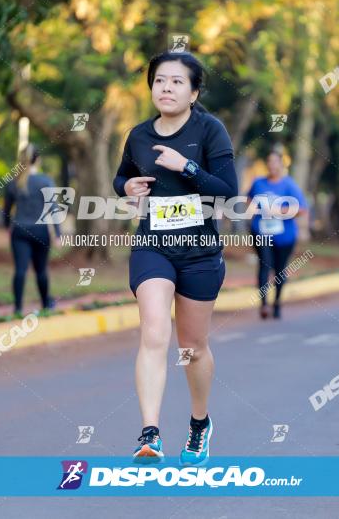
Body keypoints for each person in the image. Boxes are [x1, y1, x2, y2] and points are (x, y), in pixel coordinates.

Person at [113, 51, 237, 466]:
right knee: (153, 331)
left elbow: (227, 192)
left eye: (176, 82)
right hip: (153, 246)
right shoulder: (139, 135)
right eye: (159, 81)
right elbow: (121, 177)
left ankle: (199, 423)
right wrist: (126, 187)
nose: (166, 88)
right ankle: (149, 433)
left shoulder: (210, 131)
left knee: (192, 347)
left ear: (194, 91)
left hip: (200, 253)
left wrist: (187, 167)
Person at [247, 149, 308, 319]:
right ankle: (264, 304)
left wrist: (280, 210)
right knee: (265, 265)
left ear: (281, 165)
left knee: (280, 270)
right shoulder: (258, 183)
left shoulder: (289, 185)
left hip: (285, 236)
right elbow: (249, 199)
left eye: (275, 162)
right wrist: (252, 210)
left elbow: (301, 209)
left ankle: (277, 302)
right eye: (269, 161)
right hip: (261, 231)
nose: (272, 165)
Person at [3, 143, 60, 315]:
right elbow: (53, 210)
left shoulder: (13, 183)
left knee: (20, 270)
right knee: (41, 270)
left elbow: (6, 211)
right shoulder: (46, 181)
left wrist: (7, 227)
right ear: (38, 160)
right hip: (41, 231)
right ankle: (45, 304)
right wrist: (57, 234)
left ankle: (18, 308)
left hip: (19, 231)